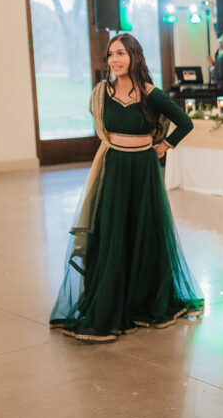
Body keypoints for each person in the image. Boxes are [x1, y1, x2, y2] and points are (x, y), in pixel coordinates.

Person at [50, 33, 203, 343]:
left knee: (143, 232)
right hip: (113, 168)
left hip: (143, 171)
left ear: (135, 56)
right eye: (111, 54)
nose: (114, 60)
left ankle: (142, 303)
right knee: (112, 232)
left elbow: (185, 122)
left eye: (121, 53)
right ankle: (109, 304)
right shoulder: (101, 94)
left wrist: (164, 145)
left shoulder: (151, 94)